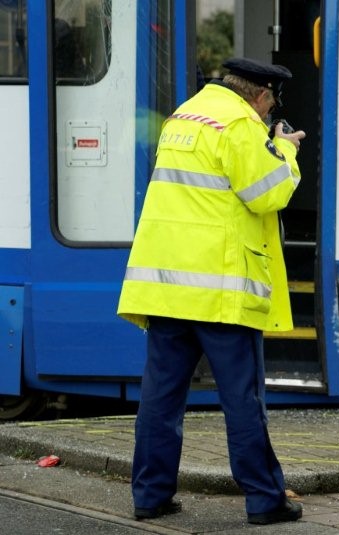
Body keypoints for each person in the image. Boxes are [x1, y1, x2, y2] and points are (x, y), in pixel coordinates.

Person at [117, 57, 306, 525]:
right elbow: (268, 193)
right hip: (220, 290)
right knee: (242, 400)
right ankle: (265, 500)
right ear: (261, 96)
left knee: (160, 399)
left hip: (166, 288)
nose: (267, 114)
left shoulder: (183, 116)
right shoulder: (239, 124)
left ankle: (150, 496)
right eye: (270, 106)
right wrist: (285, 149)